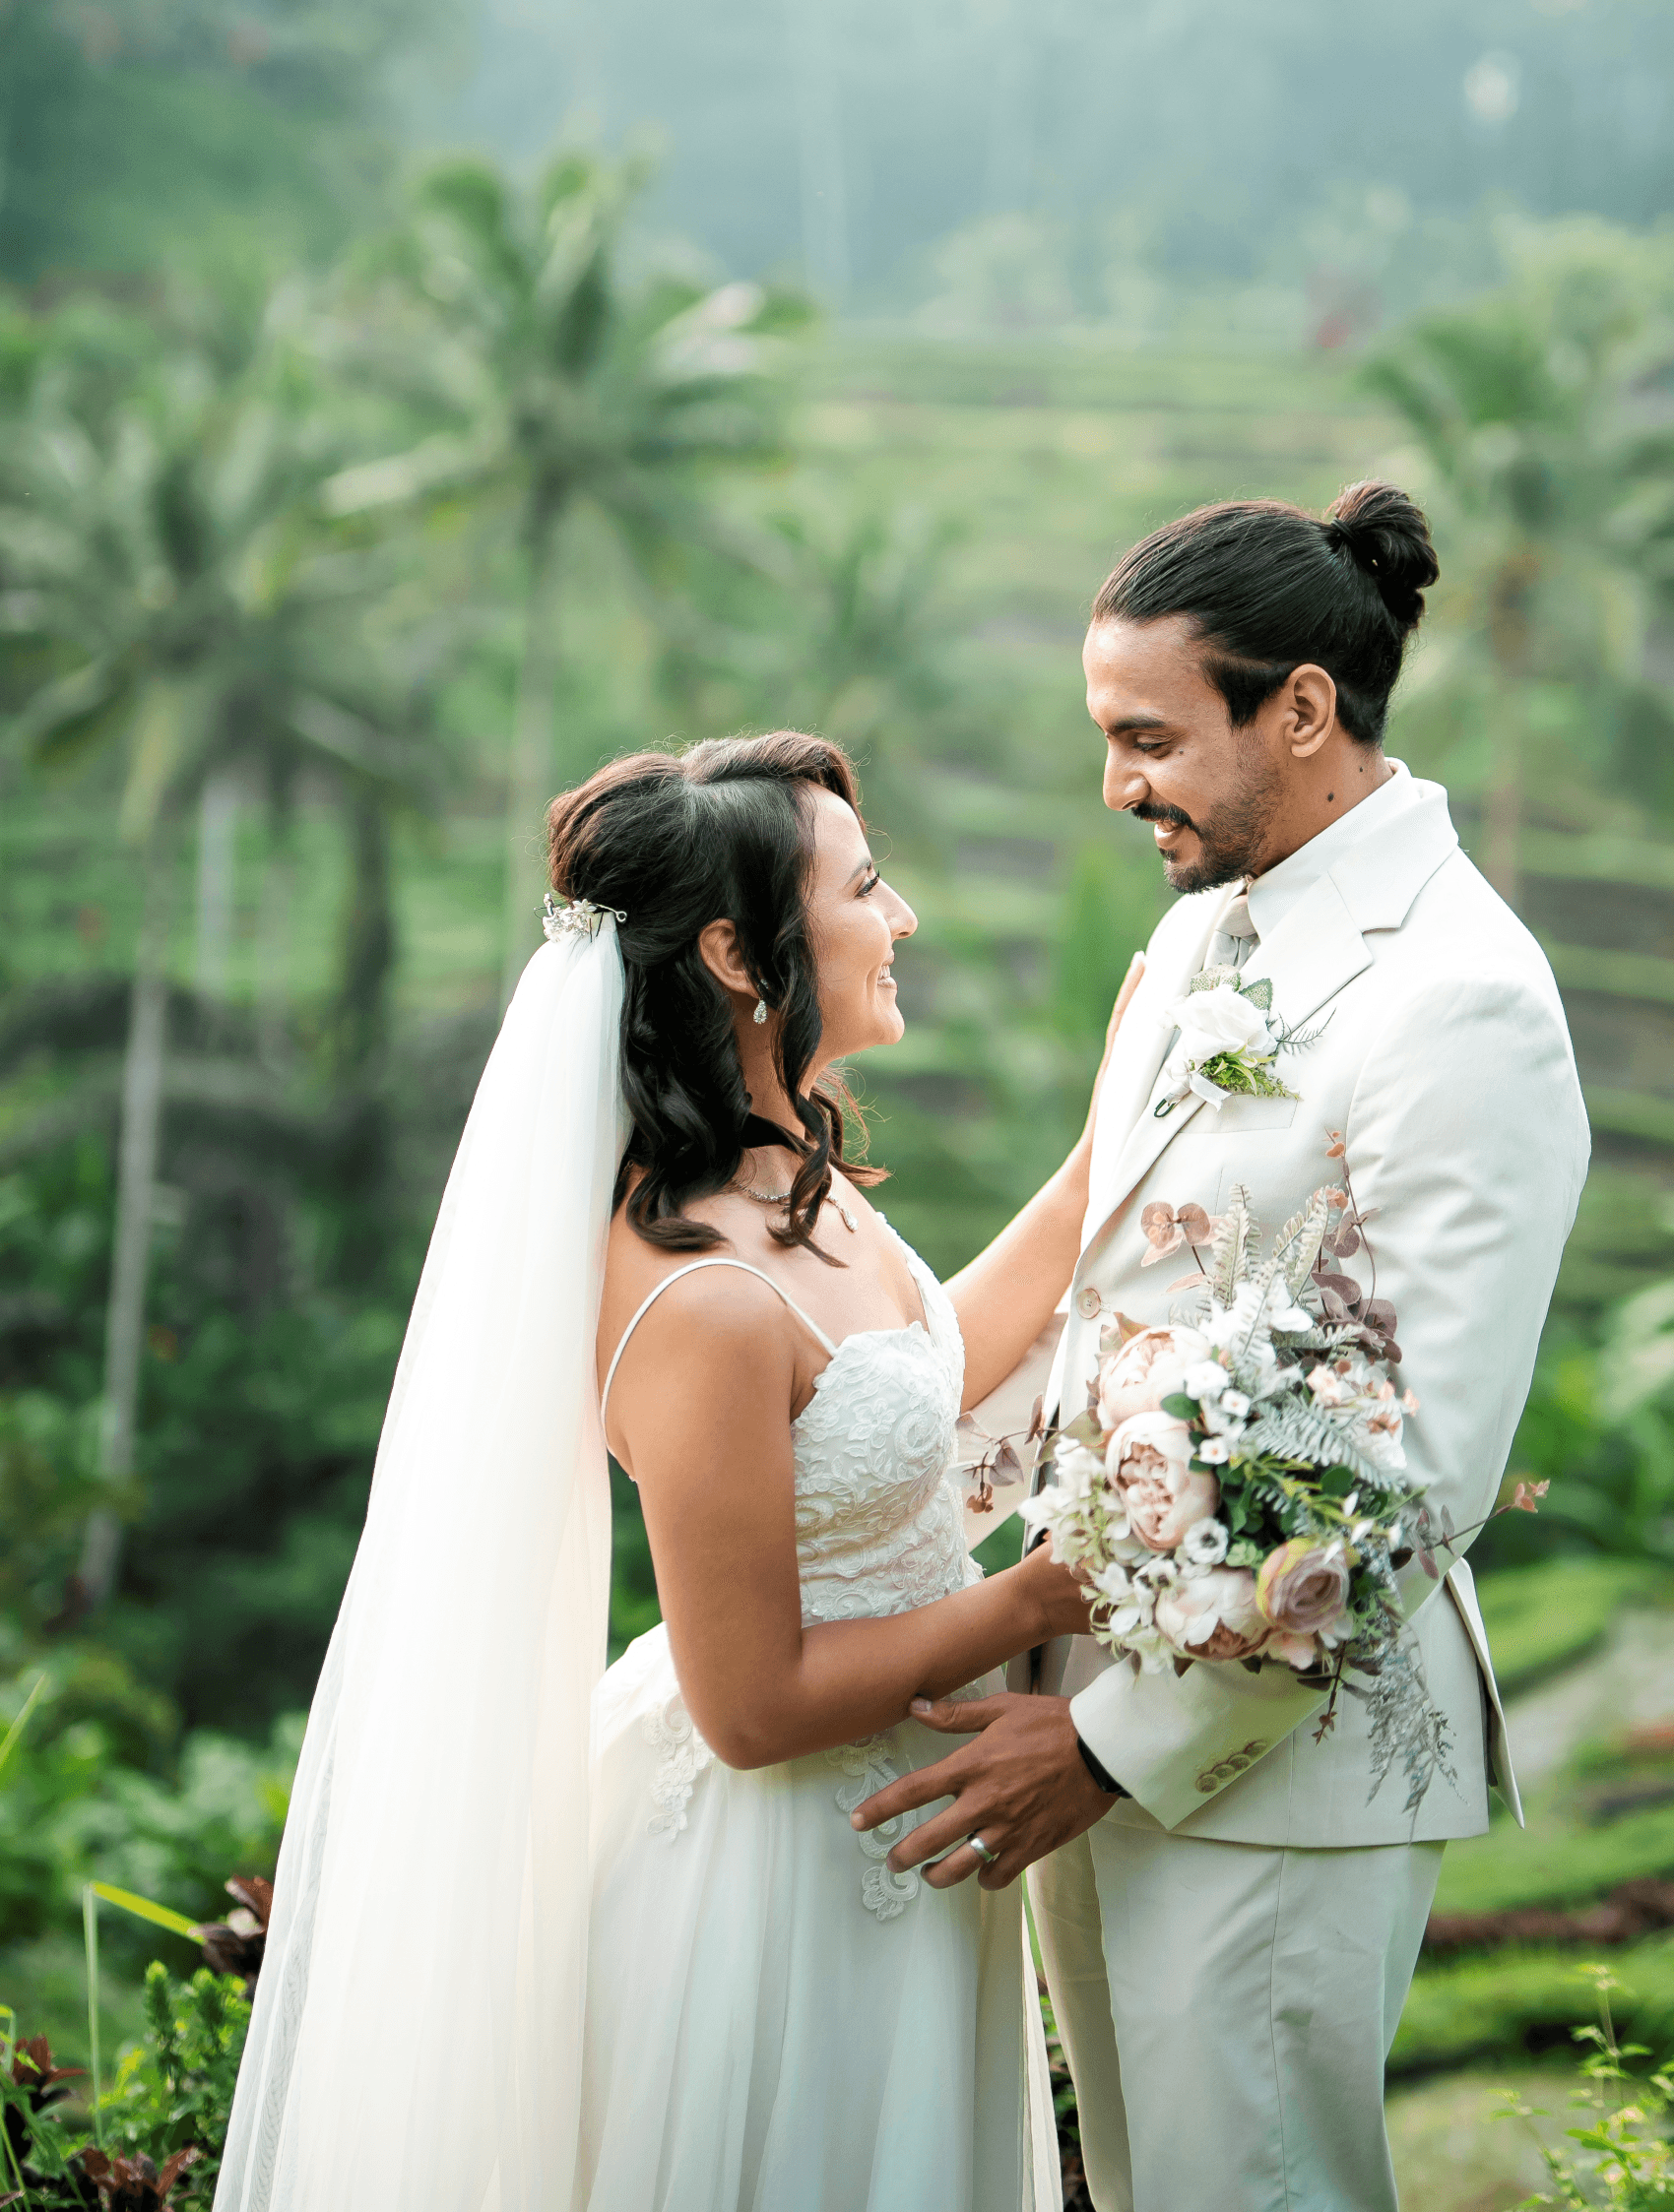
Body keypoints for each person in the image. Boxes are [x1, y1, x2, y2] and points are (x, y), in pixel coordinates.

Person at [218, 728, 1118, 2212]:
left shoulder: (789, 1188)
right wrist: (1044, 1592)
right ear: (737, 956)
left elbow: (924, 1376)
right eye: (865, 887)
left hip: (896, 1846)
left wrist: (1106, 1155)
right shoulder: (701, 1293)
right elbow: (751, 1707)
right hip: (777, 1889)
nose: (901, 919)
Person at [852, 483, 1591, 2212]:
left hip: (1273, 1770)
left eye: (1148, 738)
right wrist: (889, 1549)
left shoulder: (1462, 997)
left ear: (1302, 710)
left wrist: (1113, 1745)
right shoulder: (1199, 932)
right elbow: (1106, 1292)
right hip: (1071, 1689)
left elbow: (1419, 1462)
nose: (1116, 787)